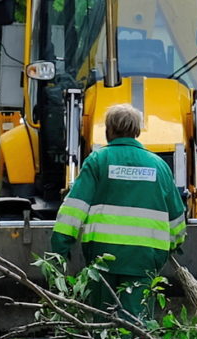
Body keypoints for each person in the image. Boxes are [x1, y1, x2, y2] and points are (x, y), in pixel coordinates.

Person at [48, 103, 187, 321]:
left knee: (105, 321)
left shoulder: (98, 161)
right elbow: (177, 217)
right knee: (137, 322)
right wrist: (174, 244)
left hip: (103, 258)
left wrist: (60, 248)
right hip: (145, 258)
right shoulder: (159, 166)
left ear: (108, 130)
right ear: (138, 131)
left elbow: (74, 208)